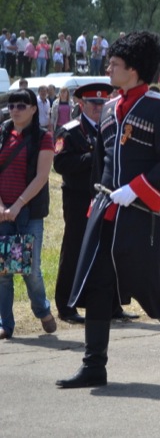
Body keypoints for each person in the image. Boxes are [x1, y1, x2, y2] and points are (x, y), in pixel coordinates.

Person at [58, 32, 160, 388]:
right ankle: (94, 365)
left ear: (133, 70)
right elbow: (101, 162)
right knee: (97, 282)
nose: (109, 68)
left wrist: (134, 190)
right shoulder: (107, 107)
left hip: (143, 215)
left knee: (146, 285)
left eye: (115, 64)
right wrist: (98, 199)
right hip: (107, 210)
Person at [52, 84, 116, 324]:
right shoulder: (69, 131)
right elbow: (61, 164)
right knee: (74, 249)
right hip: (79, 198)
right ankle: (66, 305)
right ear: (81, 104)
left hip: (106, 196)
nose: (99, 108)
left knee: (107, 249)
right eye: (93, 103)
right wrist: (93, 158)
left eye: (102, 103)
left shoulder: (111, 128)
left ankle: (111, 305)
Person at [0, 89, 57, 339]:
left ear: (34, 109)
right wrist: (2, 206)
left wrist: (18, 205)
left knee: (30, 269)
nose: (15, 110)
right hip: (2, 212)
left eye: (21, 105)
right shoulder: (2, 133)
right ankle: (5, 324)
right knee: (3, 272)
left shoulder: (43, 137)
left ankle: (42, 309)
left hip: (29, 212)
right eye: (12, 105)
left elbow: (42, 177)